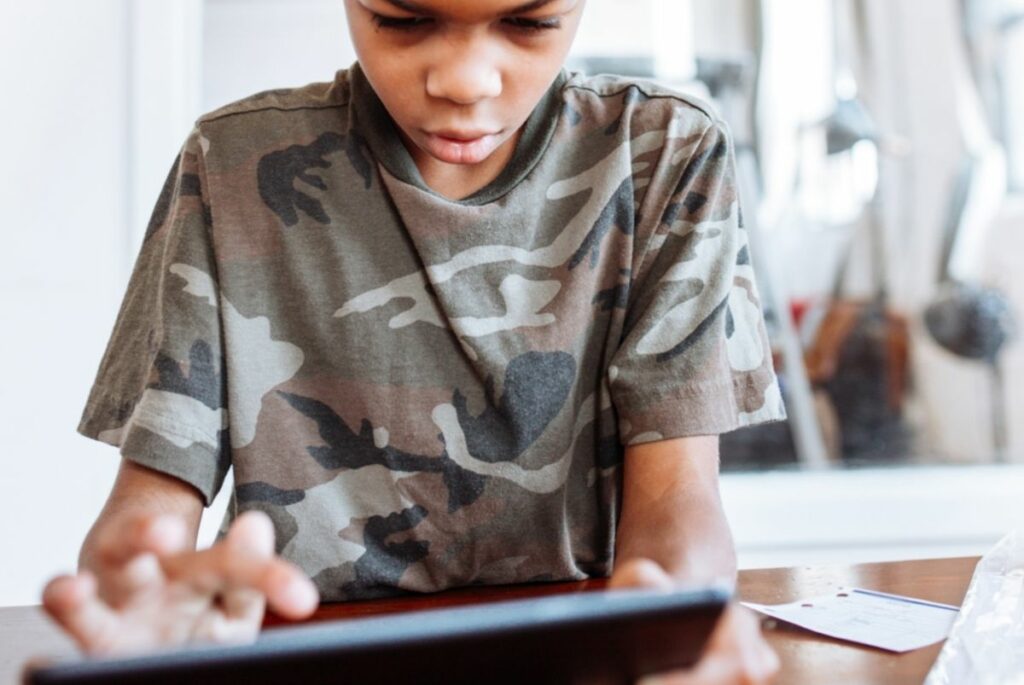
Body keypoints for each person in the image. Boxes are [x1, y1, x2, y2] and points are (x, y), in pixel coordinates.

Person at [43, 0, 786, 681]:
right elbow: (150, 515)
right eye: (402, 18)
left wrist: (677, 628)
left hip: (574, 659)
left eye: (529, 23)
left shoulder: (665, 154)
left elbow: (680, 497)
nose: (465, 81)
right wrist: (139, 589)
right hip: (301, 649)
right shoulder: (234, 164)